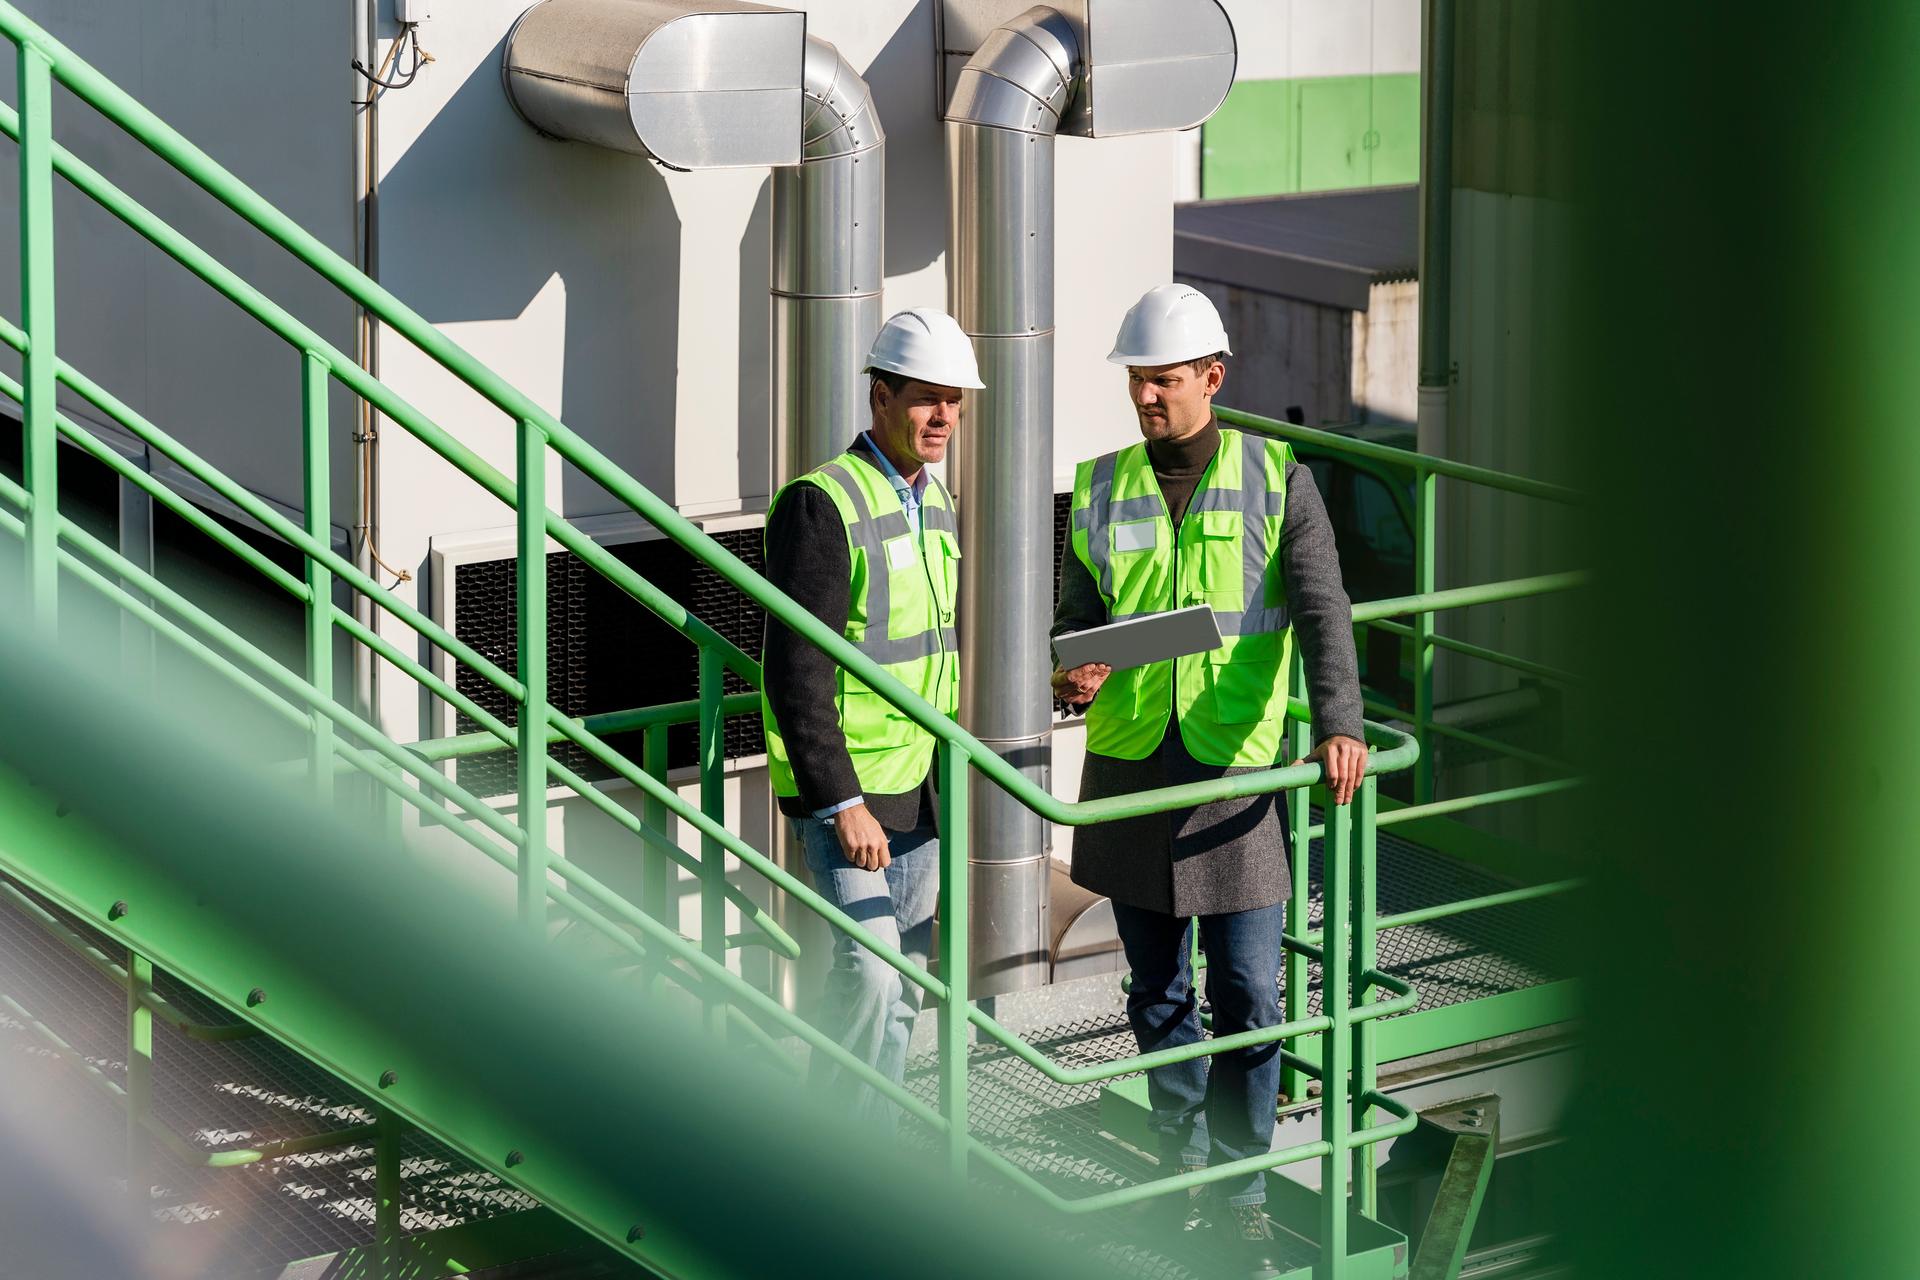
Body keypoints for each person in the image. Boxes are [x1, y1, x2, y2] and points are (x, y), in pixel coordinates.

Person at [1051, 285, 1367, 1274]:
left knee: (1248, 995)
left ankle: (1243, 1193)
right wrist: (1070, 671)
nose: (1147, 395)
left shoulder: (1281, 480)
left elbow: (1324, 613)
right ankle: (1182, 1179)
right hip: (1135, 774)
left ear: (1211, 379)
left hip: (1238, 778)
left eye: (1164, 379)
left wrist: (1341, 724)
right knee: (1156, 994)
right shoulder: (1098, 486)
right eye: (1138, 379)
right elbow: (1072, 623)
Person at [760, 308, 983, 1129]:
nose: (944, 419)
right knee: (872, 976)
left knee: (903, 994)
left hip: (918, 786)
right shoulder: (822, 505)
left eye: (955, 403)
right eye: (928, 399)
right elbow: (796, 670)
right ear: (880, 396)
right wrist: (841, 800)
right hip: (848, 795)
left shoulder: (937, 501)